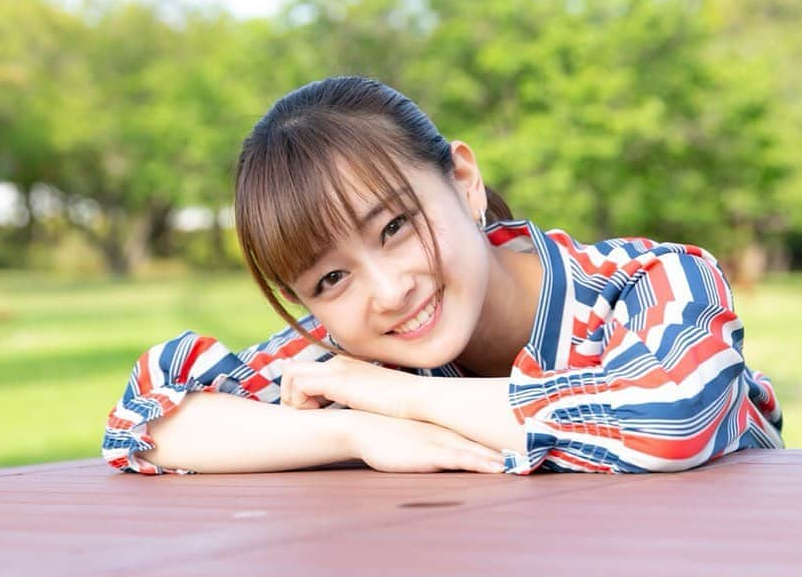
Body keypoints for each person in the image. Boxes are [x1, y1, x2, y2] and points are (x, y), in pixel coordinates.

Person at [102, 76, 784, 476]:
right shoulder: (349, 353)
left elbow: (671, 415)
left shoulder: (651, 281)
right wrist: (351, 430)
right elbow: (146, 417)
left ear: (463, 182)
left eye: (395, 227)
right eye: (330, 279)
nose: (388, 289)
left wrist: (391, 396)